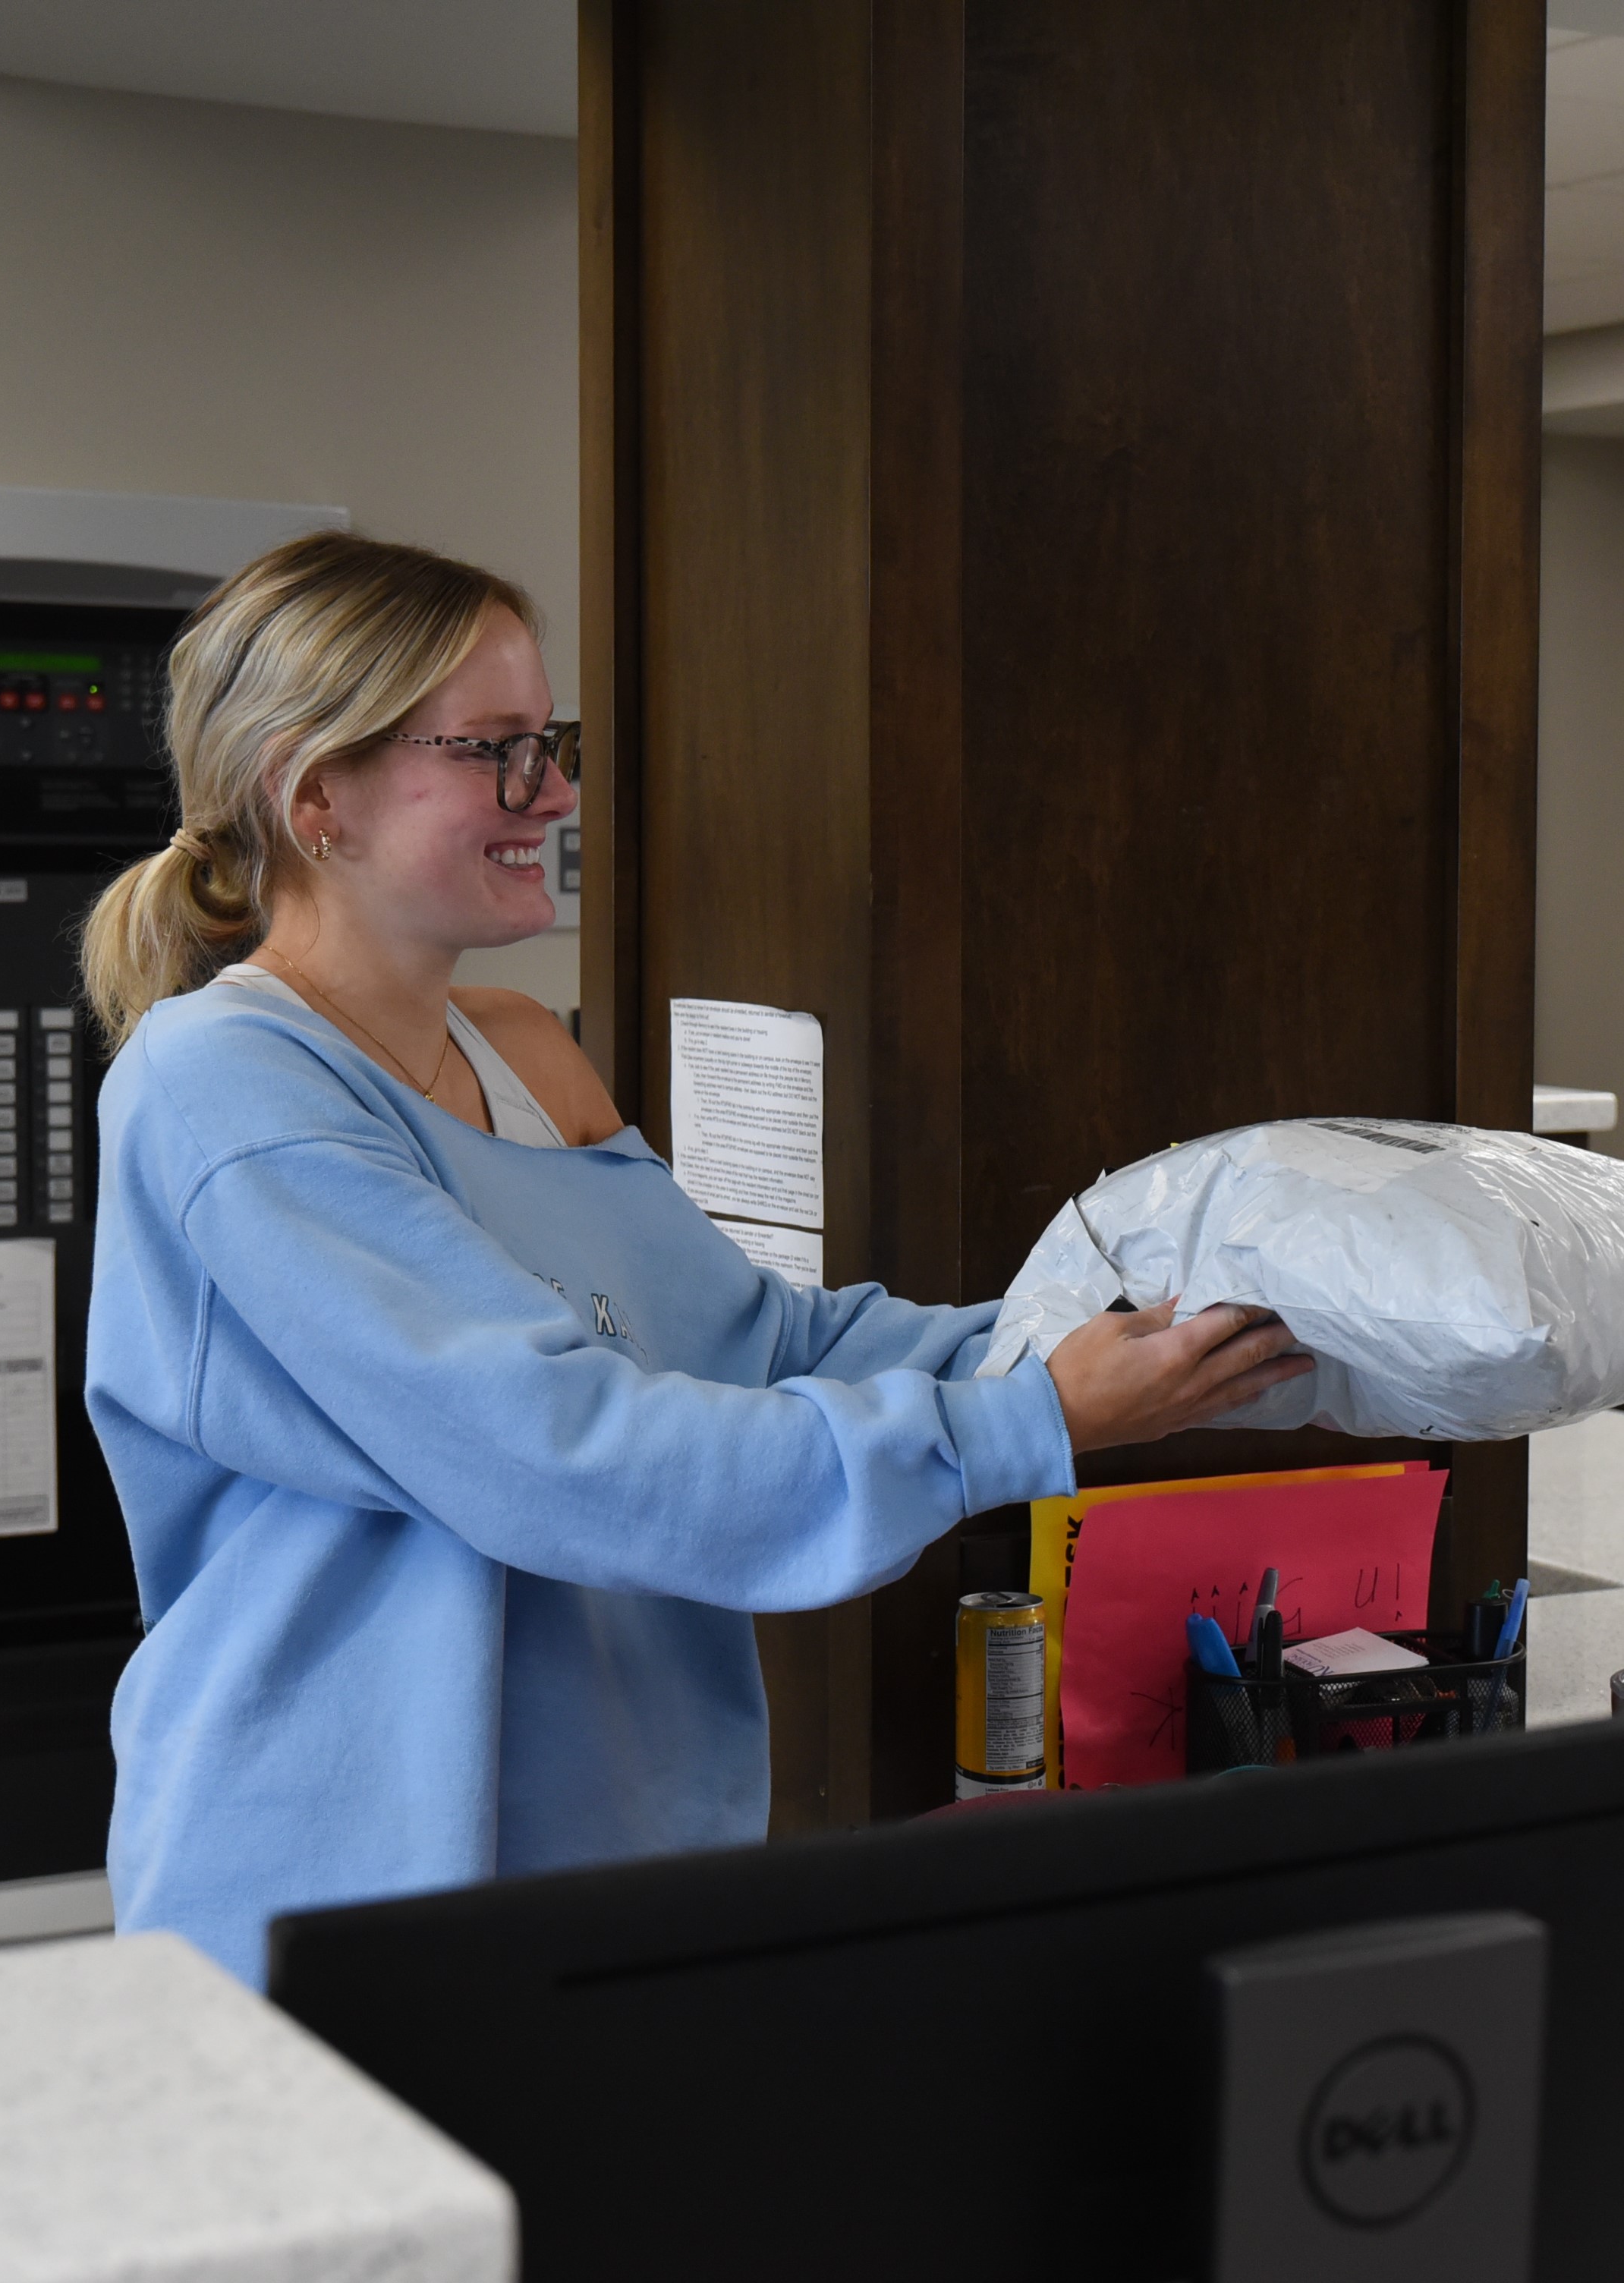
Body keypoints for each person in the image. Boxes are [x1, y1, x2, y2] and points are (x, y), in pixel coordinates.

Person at [80, 531, 1308, 1987]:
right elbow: (556, 1454)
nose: (556, 794)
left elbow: (762, 1345)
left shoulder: (526, 1054)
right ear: (316, 795)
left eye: (556, 743)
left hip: (623, 1862)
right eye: (495, 752)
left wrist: (1111, 1328)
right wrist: (1029, 1422)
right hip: (344, 1891)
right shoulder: (222, 1081)